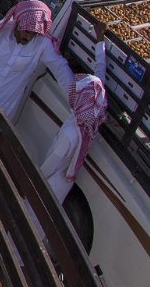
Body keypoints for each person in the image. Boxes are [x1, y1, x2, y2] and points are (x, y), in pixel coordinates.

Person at [0, 0, 71, 123]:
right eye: (27, 32)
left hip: (2, 107)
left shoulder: (42, 44)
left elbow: (60, 67)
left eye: (34, 34)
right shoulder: (4, 30)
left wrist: (77, 97)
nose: (29, 37)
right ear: (18, 24)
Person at [38, 23, 108, 202]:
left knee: (34, 215)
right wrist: (100, 40)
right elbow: (100, 70)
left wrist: (35, 179)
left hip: (52, 182)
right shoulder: (93, 113)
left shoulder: (70, 132)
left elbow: (51, 163)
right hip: (65, 182)